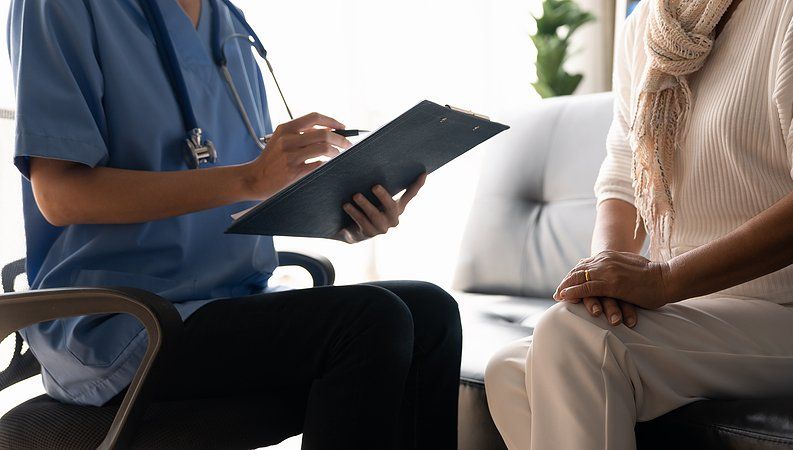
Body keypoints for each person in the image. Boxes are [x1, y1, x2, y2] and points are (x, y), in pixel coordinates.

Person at [8, 0, 462, 448]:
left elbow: (243, 189)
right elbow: (59, 195)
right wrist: (250, 178)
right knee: (368, 321)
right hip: (124, 320)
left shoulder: (225, 19)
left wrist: (341, 214)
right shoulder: (59, 6)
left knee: (430, 311)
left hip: (227, 298)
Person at [484, 0, 793, 448]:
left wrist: (664, 280)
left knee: (575, 337)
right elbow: (624, 176)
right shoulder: (647, 25)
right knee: (510, 370)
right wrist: (604, 276)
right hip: (693, 312)